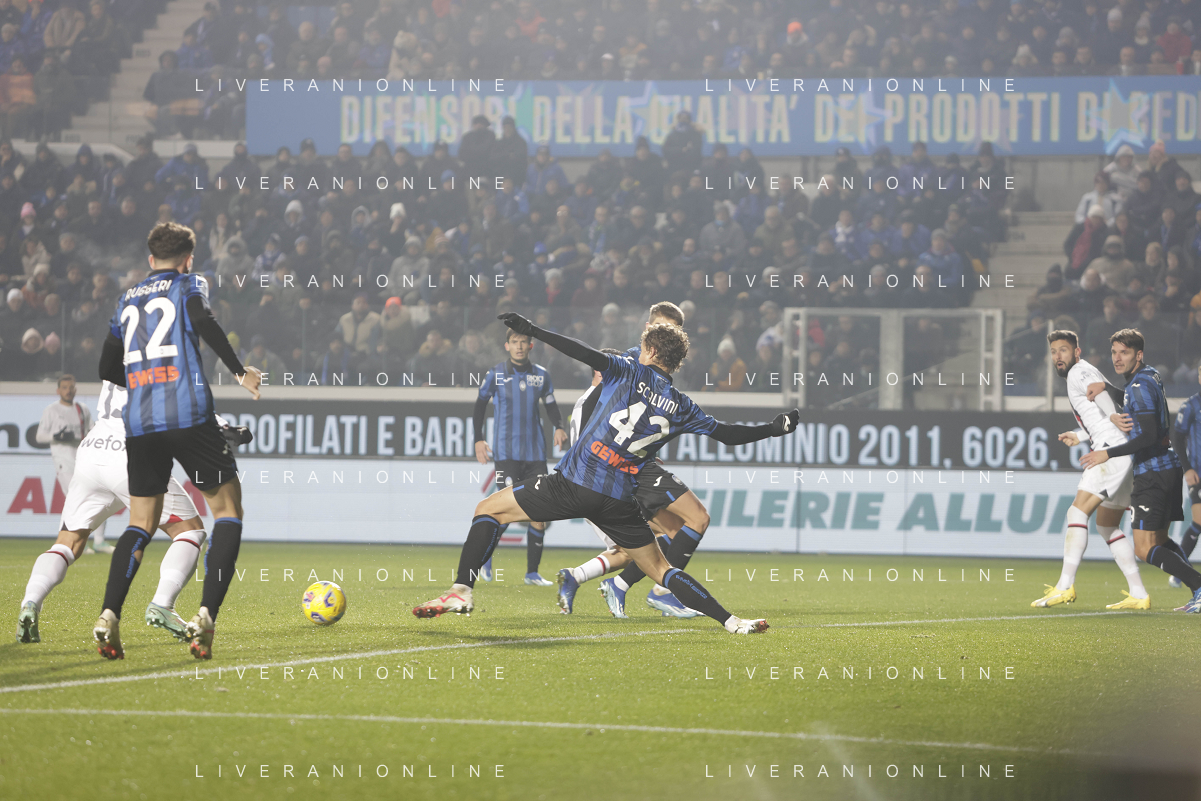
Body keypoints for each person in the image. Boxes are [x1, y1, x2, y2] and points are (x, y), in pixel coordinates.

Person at [414, 313, 799, 635]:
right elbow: (727, 435)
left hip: (572, 484)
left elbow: (583, 352)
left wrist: (535, 331)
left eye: (643, 347)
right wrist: (772, 428)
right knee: (661, 569)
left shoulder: (627, 371)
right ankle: (733, 622)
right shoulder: (683, 407)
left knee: (488, 509)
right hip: (619, 500)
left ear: (650, 352)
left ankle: (462, 589)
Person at [95, 222, 263, 660]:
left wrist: (143, 380)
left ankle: (109, 615)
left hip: (140, 423)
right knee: (227, 511)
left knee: (140, 522)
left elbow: (107, 368)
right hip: (188, 415)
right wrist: (239, 370)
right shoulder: (190, 283)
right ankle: (206, 615)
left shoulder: (126, 299)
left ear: (150, 259)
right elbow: (202, 319)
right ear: (188, 259)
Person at [16, 381, 250, 644]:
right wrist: (224, 426)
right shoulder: (159, 364)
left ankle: (30, 602)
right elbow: (181, 403)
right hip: (130, 452)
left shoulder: (118, 361)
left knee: (68, 542)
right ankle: (163, 603)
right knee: (190, 531)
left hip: (93, 450)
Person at [556, 302, 716, 619]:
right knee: (655, 538)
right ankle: (656, 592)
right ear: (647, 328)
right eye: (662, 328)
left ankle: (596, 581)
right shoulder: (628, 366)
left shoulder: (647, 372)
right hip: (615, 475)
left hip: (627, 471)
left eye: (675, 331)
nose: (668, 336)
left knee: (666, 535)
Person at [1080, 329, 1201, 611]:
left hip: (1153, 472)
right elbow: (1136, 402)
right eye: (1114, 352)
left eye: (1124, 352)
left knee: (1144, 548)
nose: (1117, 358)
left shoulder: (1138, 385)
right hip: (1167, 467)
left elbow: (1147, 435)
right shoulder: (1149, 375)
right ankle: (1197, 590)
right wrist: (1107, 387)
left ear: (1139, 354)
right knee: (1160, 540)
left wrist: (1107, 453)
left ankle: (1199, 586)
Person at [1034, 330, 1148, 609]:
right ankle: (1139, 593)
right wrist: (1080, 435)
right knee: (1107, 526)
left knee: (1076, 512)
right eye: (1053, 351)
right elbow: (1099, 406)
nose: (1058, 356)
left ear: (1077, 351)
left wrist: (1113, 415)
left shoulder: (1078, 372)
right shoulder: (1085, 370)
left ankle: (1064, 586)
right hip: (1121, 449)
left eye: (1063, 350)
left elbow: (1100, 393)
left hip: (1110, 450)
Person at [472, 326, 568, 586]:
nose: (519, 346)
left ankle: (532, 573)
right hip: (506, 454)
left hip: (535, 454)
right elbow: (479, 406)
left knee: (540, 512)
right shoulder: (495, 374)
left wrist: (559, 426)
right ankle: (485, 558)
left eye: (523, 341)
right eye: (514, 341)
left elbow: (551, 405)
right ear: (507, 346)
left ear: (530, 346)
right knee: (506, 508)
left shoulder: (541, 375)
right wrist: (478, 438)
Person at [36, 374, 110, 554]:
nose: (68, 391)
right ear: (58, 390)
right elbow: (39, 437)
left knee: (100, 493)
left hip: (84, 459)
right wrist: (57, 437)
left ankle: (99, 541)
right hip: (64, 461)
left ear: (75, 389)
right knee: (75, 499)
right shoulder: (51, 410)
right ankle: (70, 541)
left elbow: (91, 431)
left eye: (71, 387)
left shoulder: (82, 409)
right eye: (64, 387)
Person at [1172, 364, 1201, 574]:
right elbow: (1177, 438)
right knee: (1199, 522)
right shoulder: (1191, 405)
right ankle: (1179, 571)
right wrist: (1187, 468)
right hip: (1198, 473)